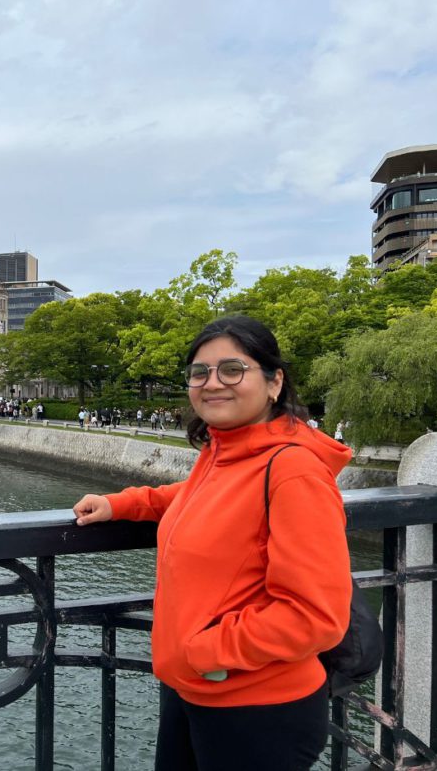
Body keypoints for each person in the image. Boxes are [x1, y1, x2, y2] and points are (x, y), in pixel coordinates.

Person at [73, 316, 352, 771]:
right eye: (200, 372)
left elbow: (316, 616)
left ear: (274, 381)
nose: (212, 383)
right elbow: (201, 497)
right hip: (195, 688)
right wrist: (123, 503)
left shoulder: (293, 472)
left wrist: (204, 652)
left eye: (232, 369)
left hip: (256, 706)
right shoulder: (224, 453)